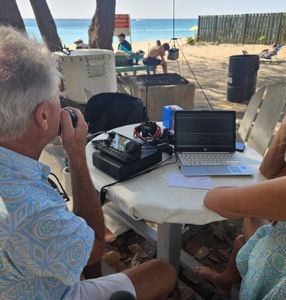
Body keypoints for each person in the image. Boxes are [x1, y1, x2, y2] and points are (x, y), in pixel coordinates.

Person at [0, 26, 177, 300]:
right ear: (44, 117)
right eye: (57, 97)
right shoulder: (33, 211)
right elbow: (95, 245)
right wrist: (77, 154)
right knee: (163, 271)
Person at [194, 69, 286, 299]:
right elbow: (269, 171)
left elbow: (217, 201)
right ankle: (225, 280)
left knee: (249, 221)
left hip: (285, 284)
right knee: (246, 233)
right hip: (284, 253)